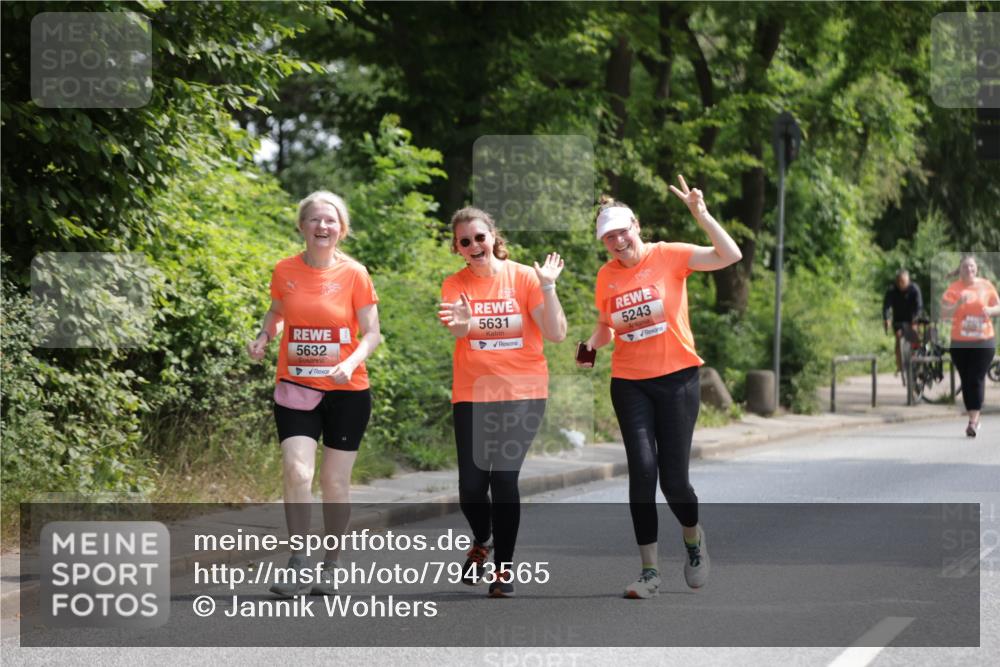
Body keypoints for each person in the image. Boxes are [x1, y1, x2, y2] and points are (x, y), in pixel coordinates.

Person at [578, 175, 741, 599]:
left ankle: (693, 538)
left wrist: (701, 215)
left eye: (622, 231)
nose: (617, 241)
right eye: (608, 237)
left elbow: (730, 254)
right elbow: (606, 326)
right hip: (629, 382)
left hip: (677, 380)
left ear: (636, 226)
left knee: (674, 483)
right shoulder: (606, 276)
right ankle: (649, 572)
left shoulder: (669, 255)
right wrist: (591, 344)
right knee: (642, 473)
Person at [247, 191, 381, 596]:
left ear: (341, 229)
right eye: (315, 220)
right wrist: (264, 335)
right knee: (296, 472)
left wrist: (351, 361)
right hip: (296, 387)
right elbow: (276, 311)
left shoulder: (355, 273)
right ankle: (298, 562)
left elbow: (373, 333)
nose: (323, 227)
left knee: (334, 484)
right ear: (302, 226)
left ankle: (332, 564)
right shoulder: (285, 270)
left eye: (331, 221)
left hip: (347, 390)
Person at [437, 207, 567, 597]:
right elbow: (460, 329)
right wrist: (463, 321)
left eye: (480, 237)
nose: (475, 246)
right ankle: (483, 537)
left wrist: (548, 287)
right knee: (471, 488)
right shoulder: (454, 283)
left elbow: (557, 334)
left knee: (504, 477)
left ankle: (503, 570)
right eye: (465, 241)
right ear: (457, 247)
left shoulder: (524, 278)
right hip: (473, 394)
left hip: (522, 393)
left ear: (493, 236)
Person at [940, 255, 999, 438]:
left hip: (983, 340)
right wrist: (958, 304)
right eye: (966, 267)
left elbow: (999, 307)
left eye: (972, 267)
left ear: (977, 269)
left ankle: (973, 420)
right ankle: (973, 416)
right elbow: (943, 314)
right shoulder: (953, 289)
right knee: (966, 379)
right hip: (959, 342)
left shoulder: (986, 285)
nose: (969, 270)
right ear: (960, 270)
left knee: (975, 377)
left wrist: (990, 311)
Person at [882, 269, 924, 380]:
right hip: (899, 321)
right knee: (898, 337)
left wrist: (915, 321)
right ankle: (900, 366)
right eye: (899, 281)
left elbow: (919, 306)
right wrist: (887, 319)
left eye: (904, 281)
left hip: (912, 319)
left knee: (915, 337)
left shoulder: (914, 289)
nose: (901, 284)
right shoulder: (892, 290)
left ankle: (919, 363)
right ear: (896, 281)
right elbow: (886, 306)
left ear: (908, 280)